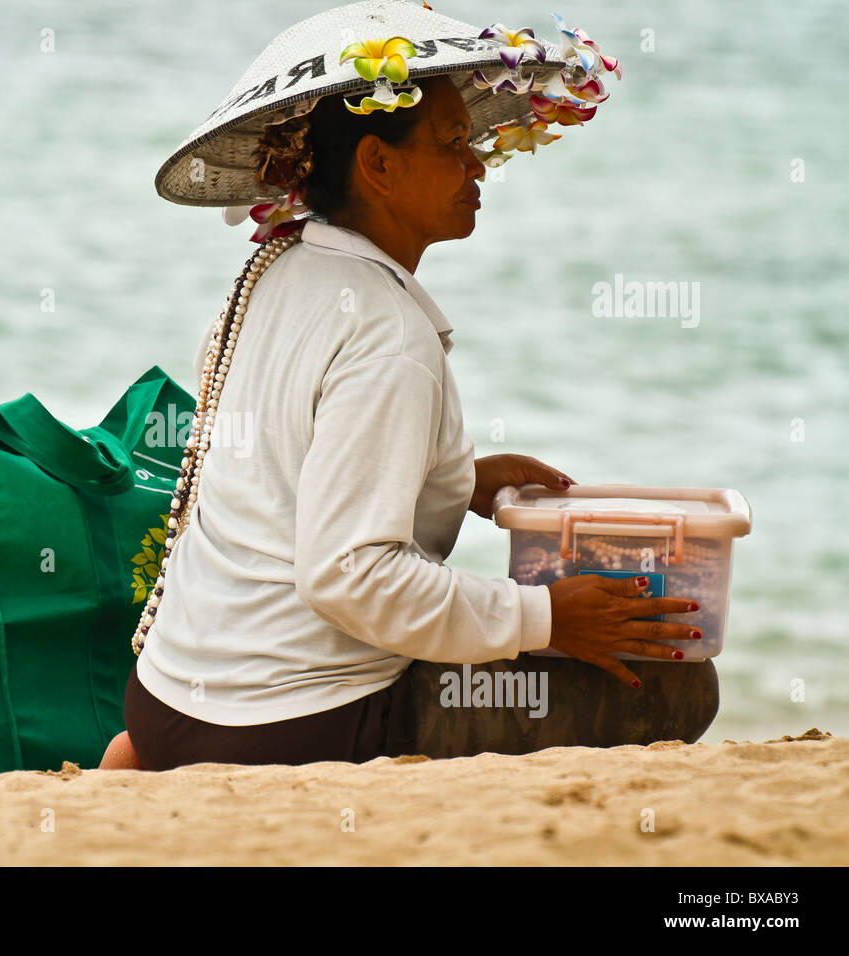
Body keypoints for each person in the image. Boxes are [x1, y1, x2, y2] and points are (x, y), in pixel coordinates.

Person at [102, 4, 717, 771]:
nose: (479, 165)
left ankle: (144, 756)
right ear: (378, 165)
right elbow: (347, 578)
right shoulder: (390, 336)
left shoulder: (269, 275)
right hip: (297, 721)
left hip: (168, 700)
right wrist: (546, 616)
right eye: (454, 145)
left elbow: (277, 470)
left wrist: (447, 480)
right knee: (670, 686)